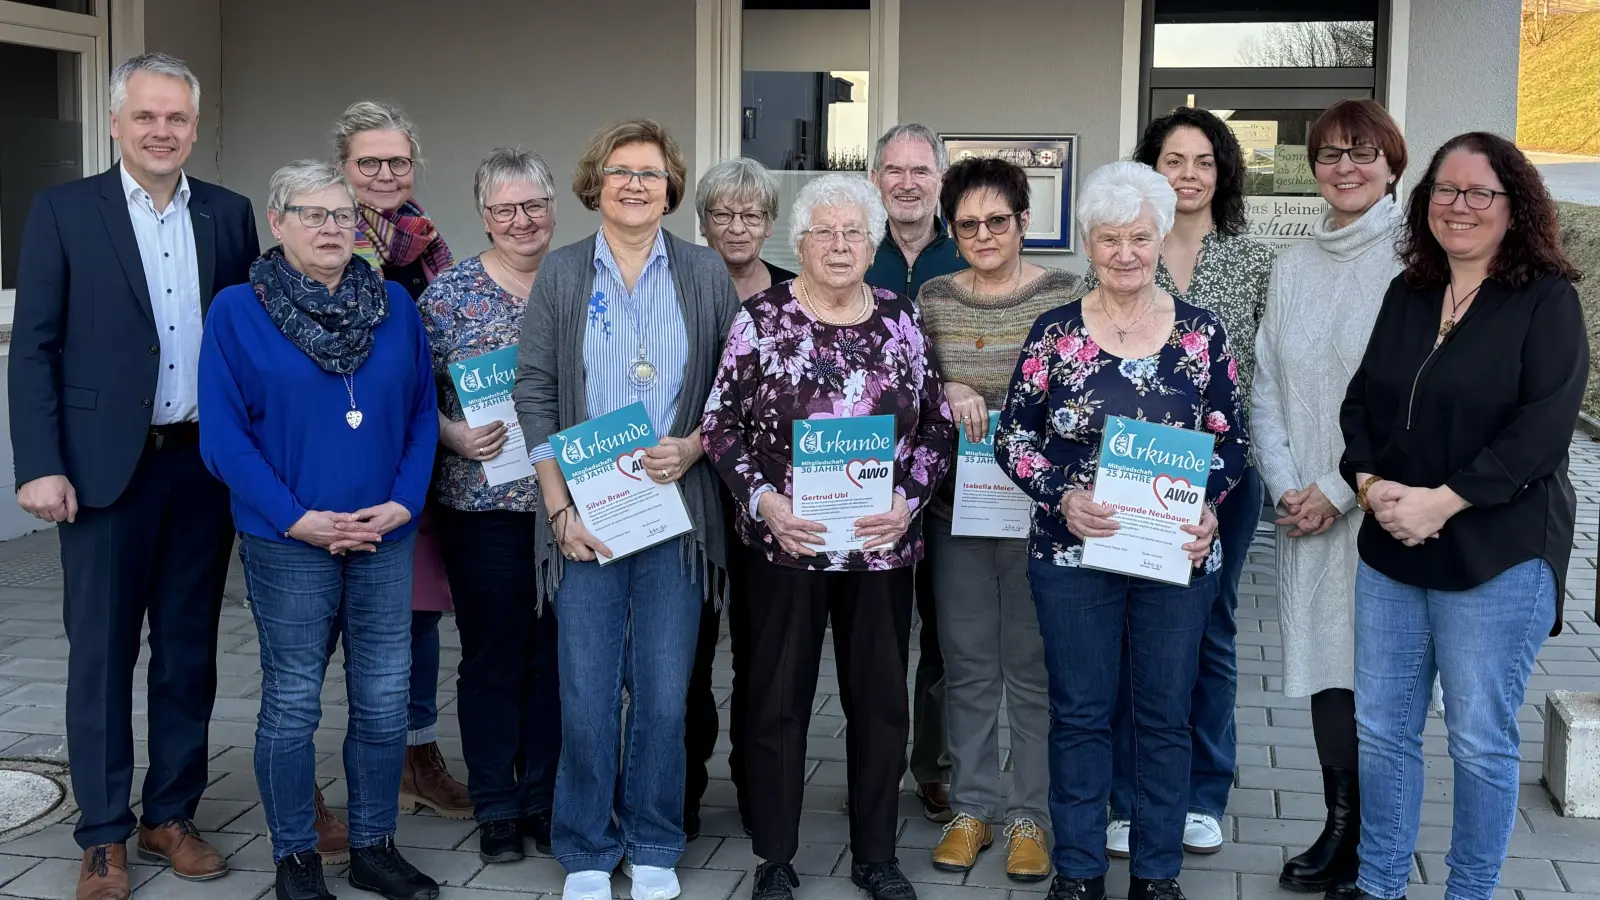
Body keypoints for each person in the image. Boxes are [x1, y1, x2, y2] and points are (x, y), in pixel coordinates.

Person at [6, 52, 258, 900]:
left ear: (193, 125)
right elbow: (34, 346)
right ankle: (104, 833)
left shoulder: (228, 214)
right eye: (146, 116)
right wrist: (38, 464)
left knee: (188, 654)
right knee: (103, 658)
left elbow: (245, 345)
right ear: (116, 122)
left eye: (177, 118)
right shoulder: (64, 210)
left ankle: (171, 813)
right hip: (100, 472)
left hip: (199, 469)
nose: (162, 131)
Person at [1338, 132, 1587, 900]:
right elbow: (1361, 403)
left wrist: (1445, 501)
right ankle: (1379, 886)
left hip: (1499, 553)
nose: (1460, 206)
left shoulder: (1546, 299)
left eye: (1481, 192)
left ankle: (1469, 891)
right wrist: (1373, 485)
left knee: (1479, 741)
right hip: (1393, 544)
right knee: (1382, 733)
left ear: (1516, 207)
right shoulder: (1409, 292)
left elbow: (1544, 426)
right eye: (1446, 190)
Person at [702, 172, 955, 900]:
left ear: (872, 241)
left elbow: (936, 425)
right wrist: (764, 501)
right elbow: (718, 426)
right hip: (789, 544)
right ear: (801, 242)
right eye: (825, 232)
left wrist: (909, 500)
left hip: (881, 545)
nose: (840, 245)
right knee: (776, 701)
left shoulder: (902, 319)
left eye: (854, 233)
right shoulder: (762, 320)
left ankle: (875, 854)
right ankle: (775, 856)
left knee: (878, 702)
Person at [995, 161, 1244, 900]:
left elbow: (1233, 441)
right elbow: (1012, 437)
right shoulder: (1053, 334)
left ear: (1162, 237)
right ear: (1089, 246)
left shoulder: (1203, 336)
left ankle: (1158, 875)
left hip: (1176, 553)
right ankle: (1078, 871)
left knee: (1165, 716)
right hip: (1074, 552)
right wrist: (1060, 497)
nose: (1127, 253)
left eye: (1140, 237)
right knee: (1079, 712)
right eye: (1110, 240)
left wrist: (1207, 508)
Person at [198, 160, 441, 900]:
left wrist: (404, 503)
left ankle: (373, 844)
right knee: (295, 698)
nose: (333, 227)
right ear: (279, 223)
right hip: (286, 540)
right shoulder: (238, 310)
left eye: (343, 216)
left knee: (382, 697)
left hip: (384, 533)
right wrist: (297, 518)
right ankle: (296, 857)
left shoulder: (396, 305)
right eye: (313, 214)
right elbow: (224, 437)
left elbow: (423, 412)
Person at [510, 119, 738, 900]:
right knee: (586, 690)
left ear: (671, 186)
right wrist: (557, 508)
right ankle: (583, 846)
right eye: (620, 171)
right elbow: (533, 389)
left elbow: (733, 391)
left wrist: (697, 447)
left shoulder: (706, 273)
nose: (635, 184)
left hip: (676, 514)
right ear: (596, 184)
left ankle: (652, 841)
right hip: (587, 517)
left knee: (665, 691)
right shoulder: (565, 273)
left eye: (650, 172)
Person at [1101, 107, 1275, 860]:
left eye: (1204, 161)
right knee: (1130, 632)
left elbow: (1266, 378)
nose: (1190, 175)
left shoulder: (1254, 259)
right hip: (1129, 473)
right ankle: (1128, 796)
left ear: (1223, 172)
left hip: (1219, 482)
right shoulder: (1119, 249)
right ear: (1151, 169)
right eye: (1174, 160)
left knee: (1209, 630)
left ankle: (1203, 792)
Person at [1249, 99, 1407, 896]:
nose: (1346, 167)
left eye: (1363, 153)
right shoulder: (1292, 265)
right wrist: (1286, 484)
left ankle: (1377, 843)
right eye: (1330, 155)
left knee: (1380, 675)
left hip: (1378, 507)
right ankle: (1337, 828)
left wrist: (1340, 492)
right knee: (1324, 672)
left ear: (1392, 164)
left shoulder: (1419, 264)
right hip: (1301, 509)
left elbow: (1406, 398)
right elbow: (1266, 383)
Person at [916, 157, 1082, 882]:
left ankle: (1031, 818)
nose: (984, 234)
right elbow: (911, 384)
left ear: (1023, 223)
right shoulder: (933, 298)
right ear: (952, 231)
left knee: (1033, 668)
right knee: (967, 663)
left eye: (998, 221)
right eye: (968, 224)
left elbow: (1081, 392)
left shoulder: (1066, 295)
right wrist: (946, 383)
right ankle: (974, 808)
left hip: (1041, 517)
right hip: (958, 511)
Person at [328, 99, 472, 829]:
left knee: (415, 616)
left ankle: (414, 753)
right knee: (316, 627)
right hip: (341, 464)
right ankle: (323, 777)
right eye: (369, 163)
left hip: (420, 455)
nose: (386, 175)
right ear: (343, 170)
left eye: (398, 162)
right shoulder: (320, 239)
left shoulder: (425, 241)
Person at [417, 148, 562, 864]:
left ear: (553, 205)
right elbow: (412, 395)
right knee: (493, 657)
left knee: (557, 656)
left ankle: (543, 794)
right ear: (483, 217)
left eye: (533, 204)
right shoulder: (447, 296)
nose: (521, 220)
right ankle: (496, 803)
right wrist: (452, 434)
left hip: (568, 503)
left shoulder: (581, 281)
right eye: (504, 209)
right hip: (484, 505)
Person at [684, 156, 796, 839]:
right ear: (702, 221)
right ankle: (684, 789)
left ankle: (760, 788)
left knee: (763, 655)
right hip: (691, 488)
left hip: (770, 498)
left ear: (771, 223)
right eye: (722, 213)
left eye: (751, 214)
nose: (736, 226)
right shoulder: (681, 282)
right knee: (688, 652)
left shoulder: (793, 291)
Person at [863, 122, 965, 822]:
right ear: (876, 178)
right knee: (874, 635)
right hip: (863, 480)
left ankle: (932, 764)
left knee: (946, 633)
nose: (906, 181)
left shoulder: (968, 254)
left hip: (956, 478)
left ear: (940, 179)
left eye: (920, 170)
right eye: (893, 169)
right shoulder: (845, 249)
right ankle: (871, 765)